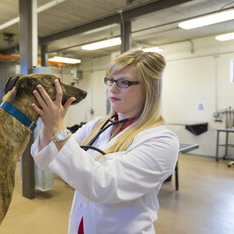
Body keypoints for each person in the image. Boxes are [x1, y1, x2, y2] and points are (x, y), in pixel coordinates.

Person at [30, 50, 179, 234]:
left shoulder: (162, 141)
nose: (113, 89)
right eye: (111, 80)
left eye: (123, 82)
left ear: (149, 88)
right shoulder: (98, 125)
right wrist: (48, 122)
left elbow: (104, 186)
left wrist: (58, 128)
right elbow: (48, 159)